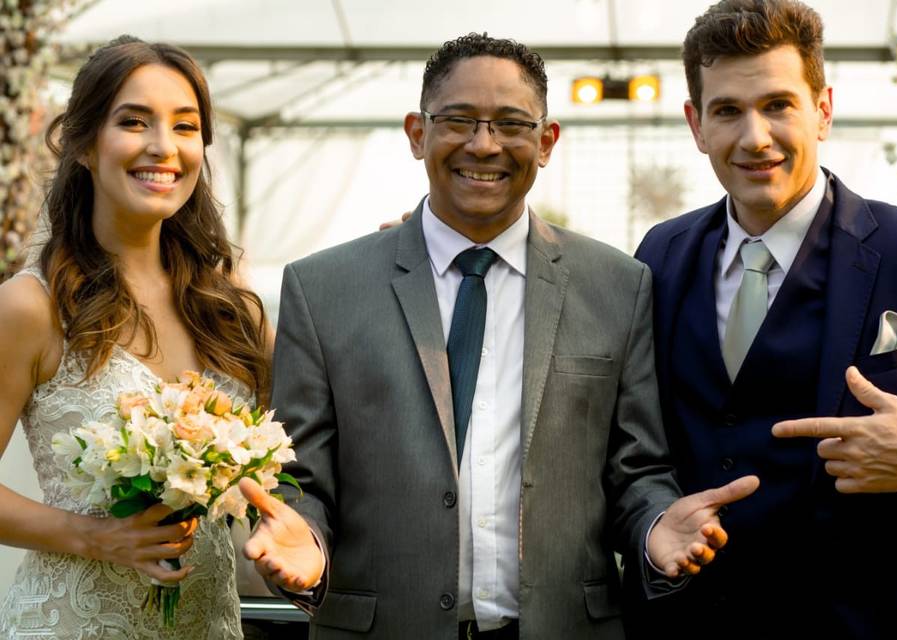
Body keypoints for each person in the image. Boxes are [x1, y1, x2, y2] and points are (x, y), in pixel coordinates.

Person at [239, 33, 758, 639]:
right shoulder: (322, 288)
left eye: (511, 124)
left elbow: (635, 469)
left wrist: (654, 529)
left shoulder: (618, 285)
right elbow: (299, 474)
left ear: (546, 142)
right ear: (417, 133)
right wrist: (302, 538)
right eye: (458, 120)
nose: (483, 145)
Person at [629, 1, 897, 637]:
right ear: (697, 125)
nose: (755, 137)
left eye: (778, 105)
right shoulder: (659, 255)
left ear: (823, 111)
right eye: (728, 110)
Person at [0, 36, 271, 639]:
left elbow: (319, 427)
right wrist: (98, 537)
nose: (162, 147)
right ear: (85, 145)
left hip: (208, 622)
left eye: (185, 125)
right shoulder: (31, 305)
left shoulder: (231, 308)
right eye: (133, 121)